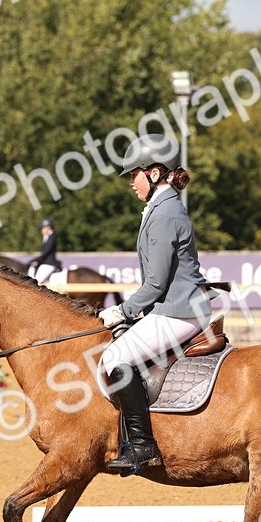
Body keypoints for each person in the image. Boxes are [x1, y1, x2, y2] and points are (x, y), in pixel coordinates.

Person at [96, 134, 214, 476]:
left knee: (115, 357)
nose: (130, 183)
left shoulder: (165, 214)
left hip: (180, 309)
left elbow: (156, 282)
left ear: (153, 173)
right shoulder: (162, 208)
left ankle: (143, 447)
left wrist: (124, 310)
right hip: (175, 305)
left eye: (133, 174)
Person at [28, 218, 61, 285]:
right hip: (46, 262)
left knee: (37, 282)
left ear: (48, 227)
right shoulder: (47, 236)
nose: (41, 231)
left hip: (49, 263)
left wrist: (36, 259)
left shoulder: (52, 236)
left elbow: (46, 252)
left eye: (42, 228)